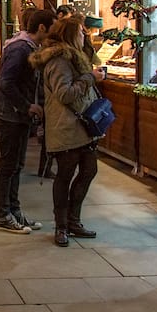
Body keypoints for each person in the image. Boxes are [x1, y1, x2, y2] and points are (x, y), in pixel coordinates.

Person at [30, 17, 106, 247]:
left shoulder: (74, 56)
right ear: (72, 34)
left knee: (88, 170)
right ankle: (62, 226)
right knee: (65, 175)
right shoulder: (59, 60)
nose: (85, 35)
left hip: (82, 127)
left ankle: (73, 221)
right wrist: (90, 78)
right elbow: (65, 94)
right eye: (82, 32)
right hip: (66, 126)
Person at [0, 8, 56, 234]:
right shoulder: (21, 49)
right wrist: (27, 105)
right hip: (10, 117)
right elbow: (5, 83)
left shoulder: (27, 47)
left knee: (15, 166)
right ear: (41, 28)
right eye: (52, 28)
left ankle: (14, 212)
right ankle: (4, 215)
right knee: (8, 167)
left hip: (16, 117)